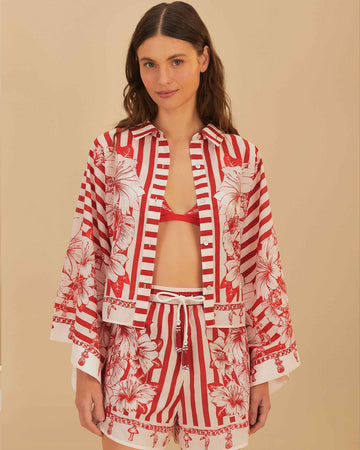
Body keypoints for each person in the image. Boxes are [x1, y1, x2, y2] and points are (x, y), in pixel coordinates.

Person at [49, 2, 301, 449]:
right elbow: (87, 261)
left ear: (203, 58)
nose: (163, 79)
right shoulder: (112, 153)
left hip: (220, 345)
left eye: (177, 62)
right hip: (133, 342)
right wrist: (87, 368)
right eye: (149, 64)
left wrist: (262, 372)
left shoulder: (241, 159)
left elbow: (259, 269)